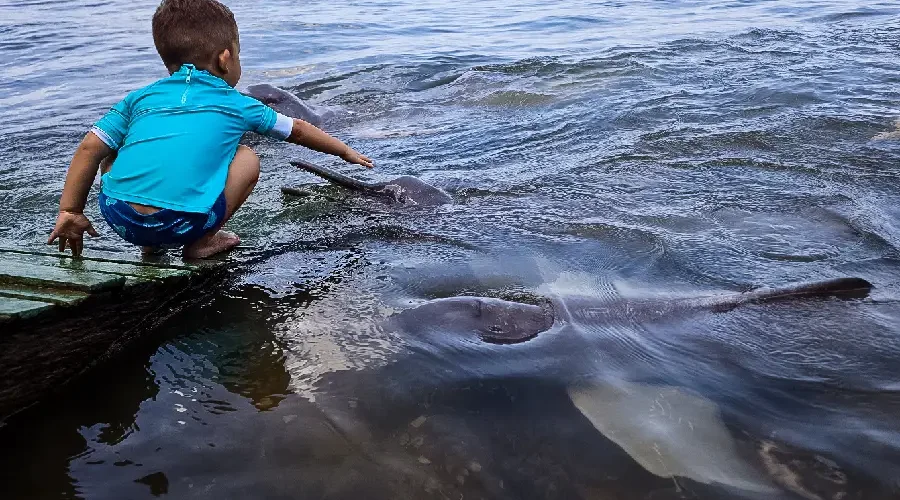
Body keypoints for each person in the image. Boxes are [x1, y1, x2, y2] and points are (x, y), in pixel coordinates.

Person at [48, 0, 373, 259]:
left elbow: (89, 149)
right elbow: (298, 130)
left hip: (121, 219)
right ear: (225, 59)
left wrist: (70, 210)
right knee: (246, 156)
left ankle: (149, 247)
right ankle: (201, 242)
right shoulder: (237, 103)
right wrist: (344, 151)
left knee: (113, 147)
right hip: (181, 223)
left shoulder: (139, 98)